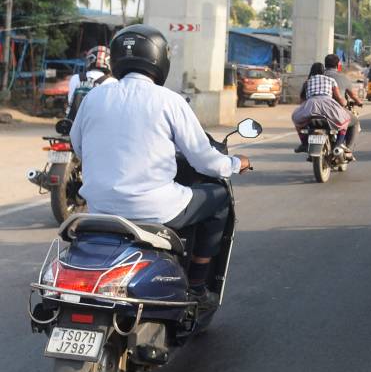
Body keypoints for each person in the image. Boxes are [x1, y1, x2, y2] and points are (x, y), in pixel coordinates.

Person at [70, 25, 251, 305]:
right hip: (154, 209)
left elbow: (78, 146)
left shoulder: (93, 97)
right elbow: (203, 159)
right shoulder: (169, 101)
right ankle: (198, 284)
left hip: (99, 210)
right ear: (159, 59)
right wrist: (235, 163)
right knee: (218, 198)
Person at [293, 62, 352, 153]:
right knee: (345, 120)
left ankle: (304, 144)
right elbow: (338, 97)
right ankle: (338, 144)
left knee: (297, 120)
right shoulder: (331, 80)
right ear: (323, 71)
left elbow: (302, 101)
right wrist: (343, 104)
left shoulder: (307, 82)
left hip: (311, 105)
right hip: (328, 104)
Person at [323, 54, 363, 159]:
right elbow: (352, 95)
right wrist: (359, 102)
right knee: (354, 122)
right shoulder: (342, 78)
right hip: (335, 110)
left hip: (316, 110)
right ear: (338, 65)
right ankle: (348, 150)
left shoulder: (318, 76)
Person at [66, 45, 116, 120]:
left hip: (73, 123)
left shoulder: (75, 78)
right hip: (96, 124)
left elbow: (70, 100)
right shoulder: (112, 82)